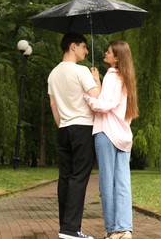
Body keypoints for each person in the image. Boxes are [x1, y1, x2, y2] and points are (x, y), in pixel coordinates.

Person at [48, 32, 101, 239]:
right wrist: (96, 79)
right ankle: (71, 230)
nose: (86, 51)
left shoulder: (52, 74)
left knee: (65, 177)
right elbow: (96, 97)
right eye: (84, 46)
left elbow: (53, 105)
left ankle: (66, 227)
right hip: (83, 128)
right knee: (79, 177)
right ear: (73, 46)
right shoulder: (81, 71)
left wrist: (63, 125)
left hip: (64, 129)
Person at [84, 40, 139, 239]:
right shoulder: (127, 79)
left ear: (116, 58)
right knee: (123, 183)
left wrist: (87, 97)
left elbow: (104, 104)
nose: (105, 54)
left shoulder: (112, 74)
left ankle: (112, 230)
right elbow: (115, 104)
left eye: (108, 52)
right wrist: (97, 81)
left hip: (106, 133)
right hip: (123, 136)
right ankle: (124, 229)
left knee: (107, 183)